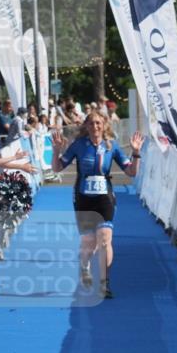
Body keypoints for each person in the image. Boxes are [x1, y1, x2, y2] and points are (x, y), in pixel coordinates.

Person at [51, 112, 145, 299]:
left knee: (104, 241)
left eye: (98, 123)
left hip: (105, 199)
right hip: (83, 198)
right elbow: (57, 168)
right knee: (89, 242)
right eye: (92, 123)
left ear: (104, 125)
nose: (95, 126)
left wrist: (136, 152)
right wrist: (56, 151)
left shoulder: (112, 146)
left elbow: (132, 172)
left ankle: (104, 283)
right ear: (86, 126)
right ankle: (85, 266)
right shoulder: (79, 146)